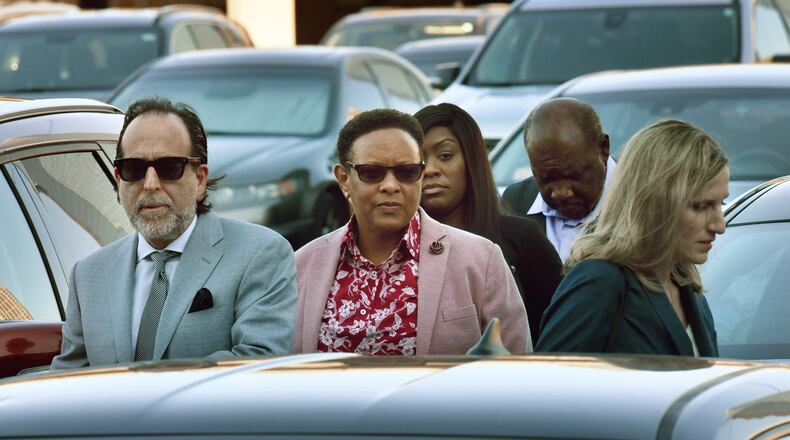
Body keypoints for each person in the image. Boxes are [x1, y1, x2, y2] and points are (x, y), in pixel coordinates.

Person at [51, 97, 297, 370]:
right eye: (134, 168)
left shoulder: (260, 253)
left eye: (170, 167)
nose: (151, 184)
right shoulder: (88, 275)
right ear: (119, 179)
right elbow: (66, 381)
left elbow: (259, 365)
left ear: (200, 179)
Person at [293, 108, 529, 355]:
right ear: (343, 179)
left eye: (406, 172)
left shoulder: (481, 259)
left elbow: (518, 371)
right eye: (372, 173)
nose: (390, 186)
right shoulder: (303, 265)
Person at [536, 119, 727, 356]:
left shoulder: (688, 288)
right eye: (702, 206)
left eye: (721, 203)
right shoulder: (599, 282)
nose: (719, 225)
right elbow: (548, 386)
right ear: (655, 202)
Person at [414, 103, 562, 344]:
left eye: (445, 156)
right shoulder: (394, 247)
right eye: (419, 160)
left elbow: (554, 340)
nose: (430, 170)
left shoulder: (523, 240)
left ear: (472, 160)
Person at [502, 98, 616, 262]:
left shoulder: (644, 201)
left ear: (603, 148)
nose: (560, 193)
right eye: (545, 179)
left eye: (573, 176)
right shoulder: (516, 202)